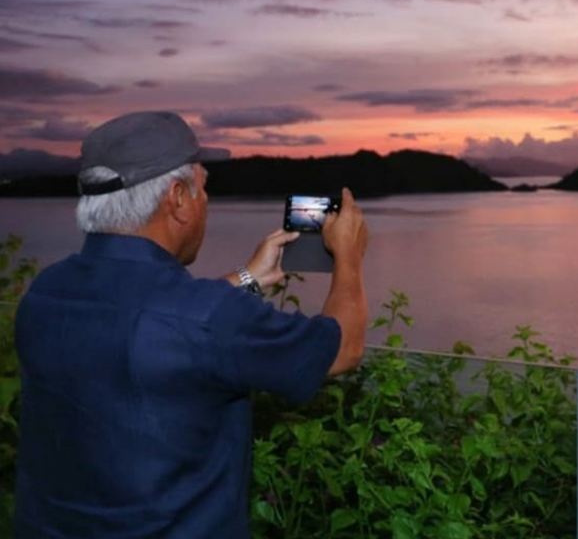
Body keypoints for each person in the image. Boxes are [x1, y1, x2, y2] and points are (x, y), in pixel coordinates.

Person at [14, 110, 368, 538]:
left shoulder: (46, 292)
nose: (207, 202)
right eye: (204, 187)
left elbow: (153, 316)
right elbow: (343, 347)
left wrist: (247, 278)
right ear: (178, 199)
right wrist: (348, 254)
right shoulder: (205, 317)